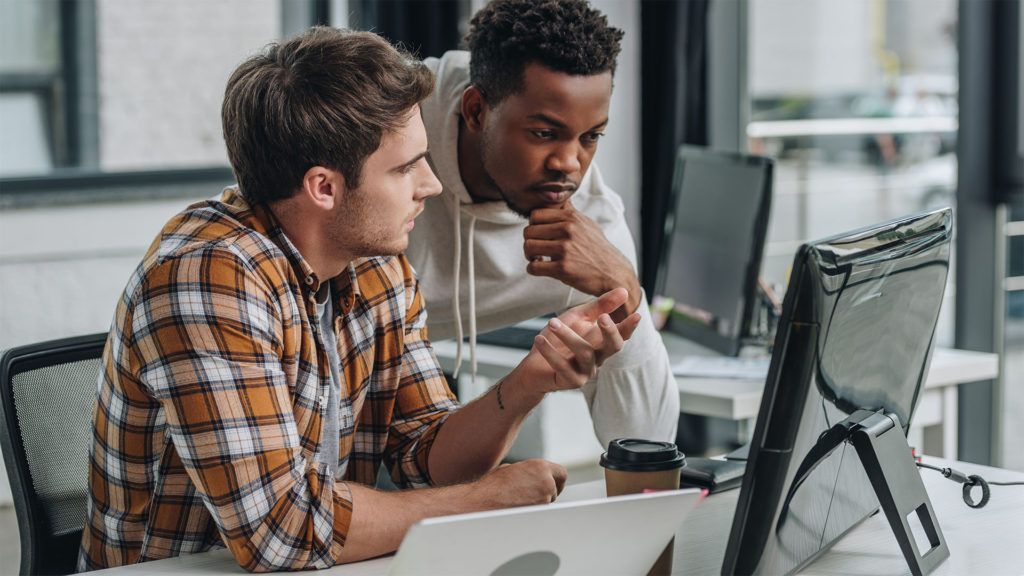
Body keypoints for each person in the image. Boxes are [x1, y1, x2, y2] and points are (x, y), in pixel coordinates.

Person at [78, 27, 640, 572]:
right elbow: (280, 534)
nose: (432, 184)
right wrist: (486, 499)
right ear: (324, 187)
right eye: (404, 167)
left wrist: (530, 381)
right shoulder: (206, 277)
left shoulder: (376, 266)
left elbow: (425, 463)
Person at [409, 0, 679, 445]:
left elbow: (647, 444)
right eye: (544, 133)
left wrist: (626, 290)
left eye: (590, 136)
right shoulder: (389, 131)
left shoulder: (588, 218)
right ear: (475, 111)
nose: (570, 165)